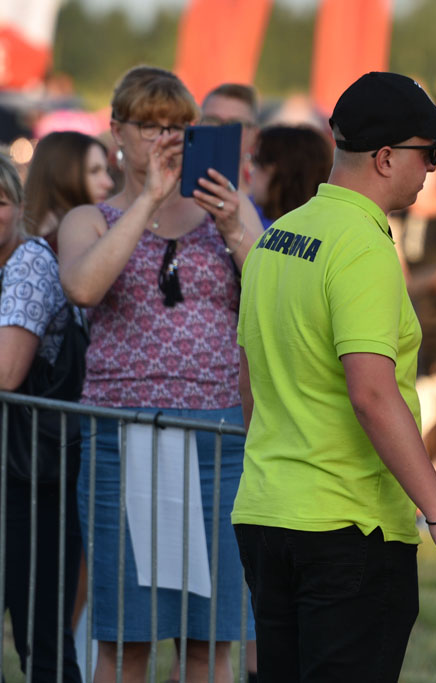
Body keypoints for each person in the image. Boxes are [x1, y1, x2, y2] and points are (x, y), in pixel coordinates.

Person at [231, 71, 436, 682]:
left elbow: (248, 380)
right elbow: (372, 393)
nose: (433, 168)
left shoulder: (275, 238)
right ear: (386, 157)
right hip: (349, 527)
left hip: (268, 513)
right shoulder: (364, 246)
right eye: (430, 152)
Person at [58, 65, 263, 683]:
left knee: (210, 637)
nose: (166, 138)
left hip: (219, 438)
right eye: (151, 125)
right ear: (117, 131)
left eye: (178, 126)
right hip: (121, 438)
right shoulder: (88, 219)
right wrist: (147, 196)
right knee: (126, 637)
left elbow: (275, 295)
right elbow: (86, 286)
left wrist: (232, 223)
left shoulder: (227, 207)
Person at [1, 153, 85, 682]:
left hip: (32, 482)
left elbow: (7, 373)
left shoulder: (30, 261)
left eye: (0, 202)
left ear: (19, 207)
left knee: (44, 646)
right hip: (20, 477)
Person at [22, 131, 114, 245]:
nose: (109, 183)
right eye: (94, 171)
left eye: (107, 171)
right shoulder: (57, 242)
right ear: (61, 174)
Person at [249, 125, 333, 229]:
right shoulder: (328, 225)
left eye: (257, 163)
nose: (252, 171)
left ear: (277, 171)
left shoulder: (247, 220)